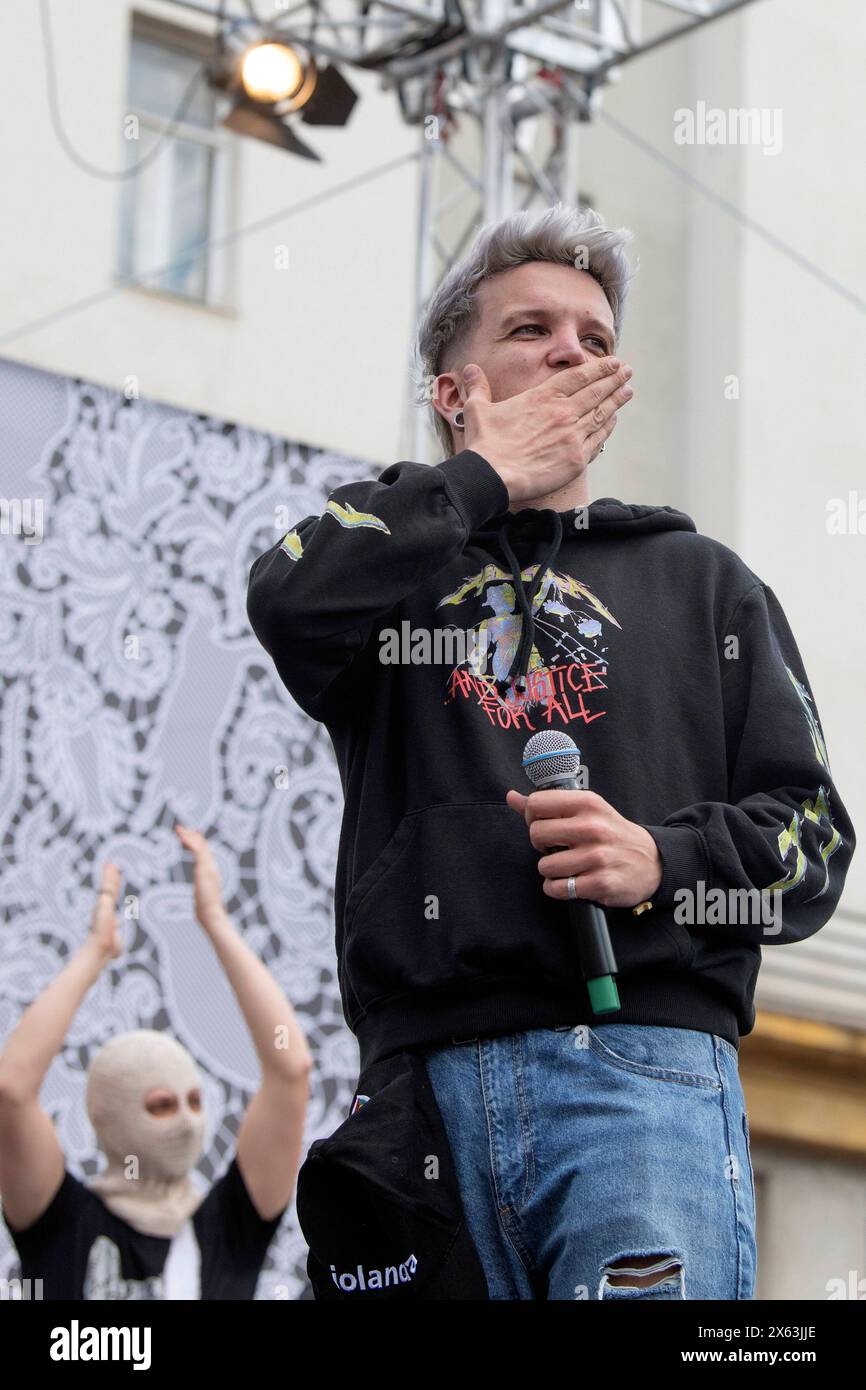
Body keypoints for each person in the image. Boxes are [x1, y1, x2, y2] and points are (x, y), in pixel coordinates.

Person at [245, 203, 856, 1299]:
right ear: (452, 391)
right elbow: (286, 601)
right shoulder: (382, 561)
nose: (572, 349)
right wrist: (482, 479)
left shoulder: (702, 580)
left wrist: (660, 864)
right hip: (417, 1092)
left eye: (596, 338)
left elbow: (811, 841)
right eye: (530, 330)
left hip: (643, 1077)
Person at [0, 825, 312, 1300]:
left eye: (195, 1102)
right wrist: (93, 954)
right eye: (162, 1105)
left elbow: (291, 1069)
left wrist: (215, 921)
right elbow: (10, 1089)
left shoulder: (229, 1227)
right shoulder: (61, 1223)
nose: (188, 1123)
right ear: (108, 1116)